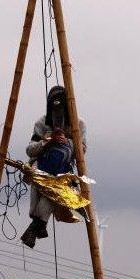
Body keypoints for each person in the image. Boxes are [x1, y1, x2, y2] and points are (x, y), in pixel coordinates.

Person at [21, 85, 87, 248]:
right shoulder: (42, 123)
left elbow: (82, 149)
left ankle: (36, 227)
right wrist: (47, 142)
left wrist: (68, 142)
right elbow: (30, 149)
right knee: (39, 197)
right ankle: (39, 225)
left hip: (62, 171)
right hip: (41, 167)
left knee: (54, 190)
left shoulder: (78, 124)